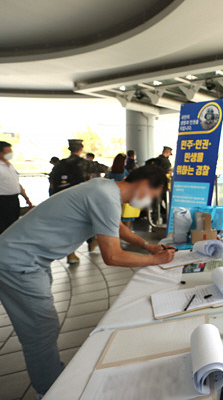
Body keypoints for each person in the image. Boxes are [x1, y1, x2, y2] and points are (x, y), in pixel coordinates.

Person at [0, 164, 175, 397]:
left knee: (43, 328)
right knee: (40, 333)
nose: (150, 202)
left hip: (30, 260)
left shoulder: (104, 188)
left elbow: (116, 226)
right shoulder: (104, 195)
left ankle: (52, 381)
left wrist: (147, 246)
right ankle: (52, 392)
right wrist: (155, 259)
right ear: (144, 184)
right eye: (153, 196)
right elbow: (112, 256)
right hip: (18, 264)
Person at [0, 141, 33, 234]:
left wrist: (26, 198)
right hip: (2, 200)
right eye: (8, 151)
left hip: (13, 199)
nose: (11, 153)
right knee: (3, 225)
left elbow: (16, 183)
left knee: (13, 223)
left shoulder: (10, 166)